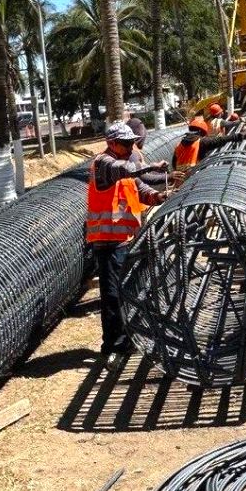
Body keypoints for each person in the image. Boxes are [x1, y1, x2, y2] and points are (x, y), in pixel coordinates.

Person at [87, 122, 169, 366]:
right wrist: (149, 166)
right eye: (126, 142)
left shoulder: (126, 167)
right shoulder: (103, 163)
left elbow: (141, 189)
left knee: (129, 290)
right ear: (111, 143)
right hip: (108, 242)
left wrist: (158, 196)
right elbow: (123, 169)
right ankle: (112, 346)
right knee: (112, 295)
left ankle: (127, 339)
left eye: (132, 142)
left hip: (127, 240)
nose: (131, 146)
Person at [173, 116, 246, 170]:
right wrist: (239, 136)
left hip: (179, 177)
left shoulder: (179, 144)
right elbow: (220, 140)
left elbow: (174, 162)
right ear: (200, 132)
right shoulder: (201, 142)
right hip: (193, 175)